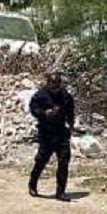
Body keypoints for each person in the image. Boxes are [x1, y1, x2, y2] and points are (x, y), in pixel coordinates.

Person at [28, 71, 76, 201]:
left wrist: (71, 126)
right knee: (41, 161)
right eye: (52, 84)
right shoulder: (40, 95)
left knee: (64, 163)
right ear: (48, 83)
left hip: (61, 133)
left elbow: (70, 112)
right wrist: (44, 113)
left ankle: (60, 192)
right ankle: (32, 184)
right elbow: (33, 109)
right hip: (46, 134)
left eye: (57, 85)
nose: (54, 87)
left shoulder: (65, 96)